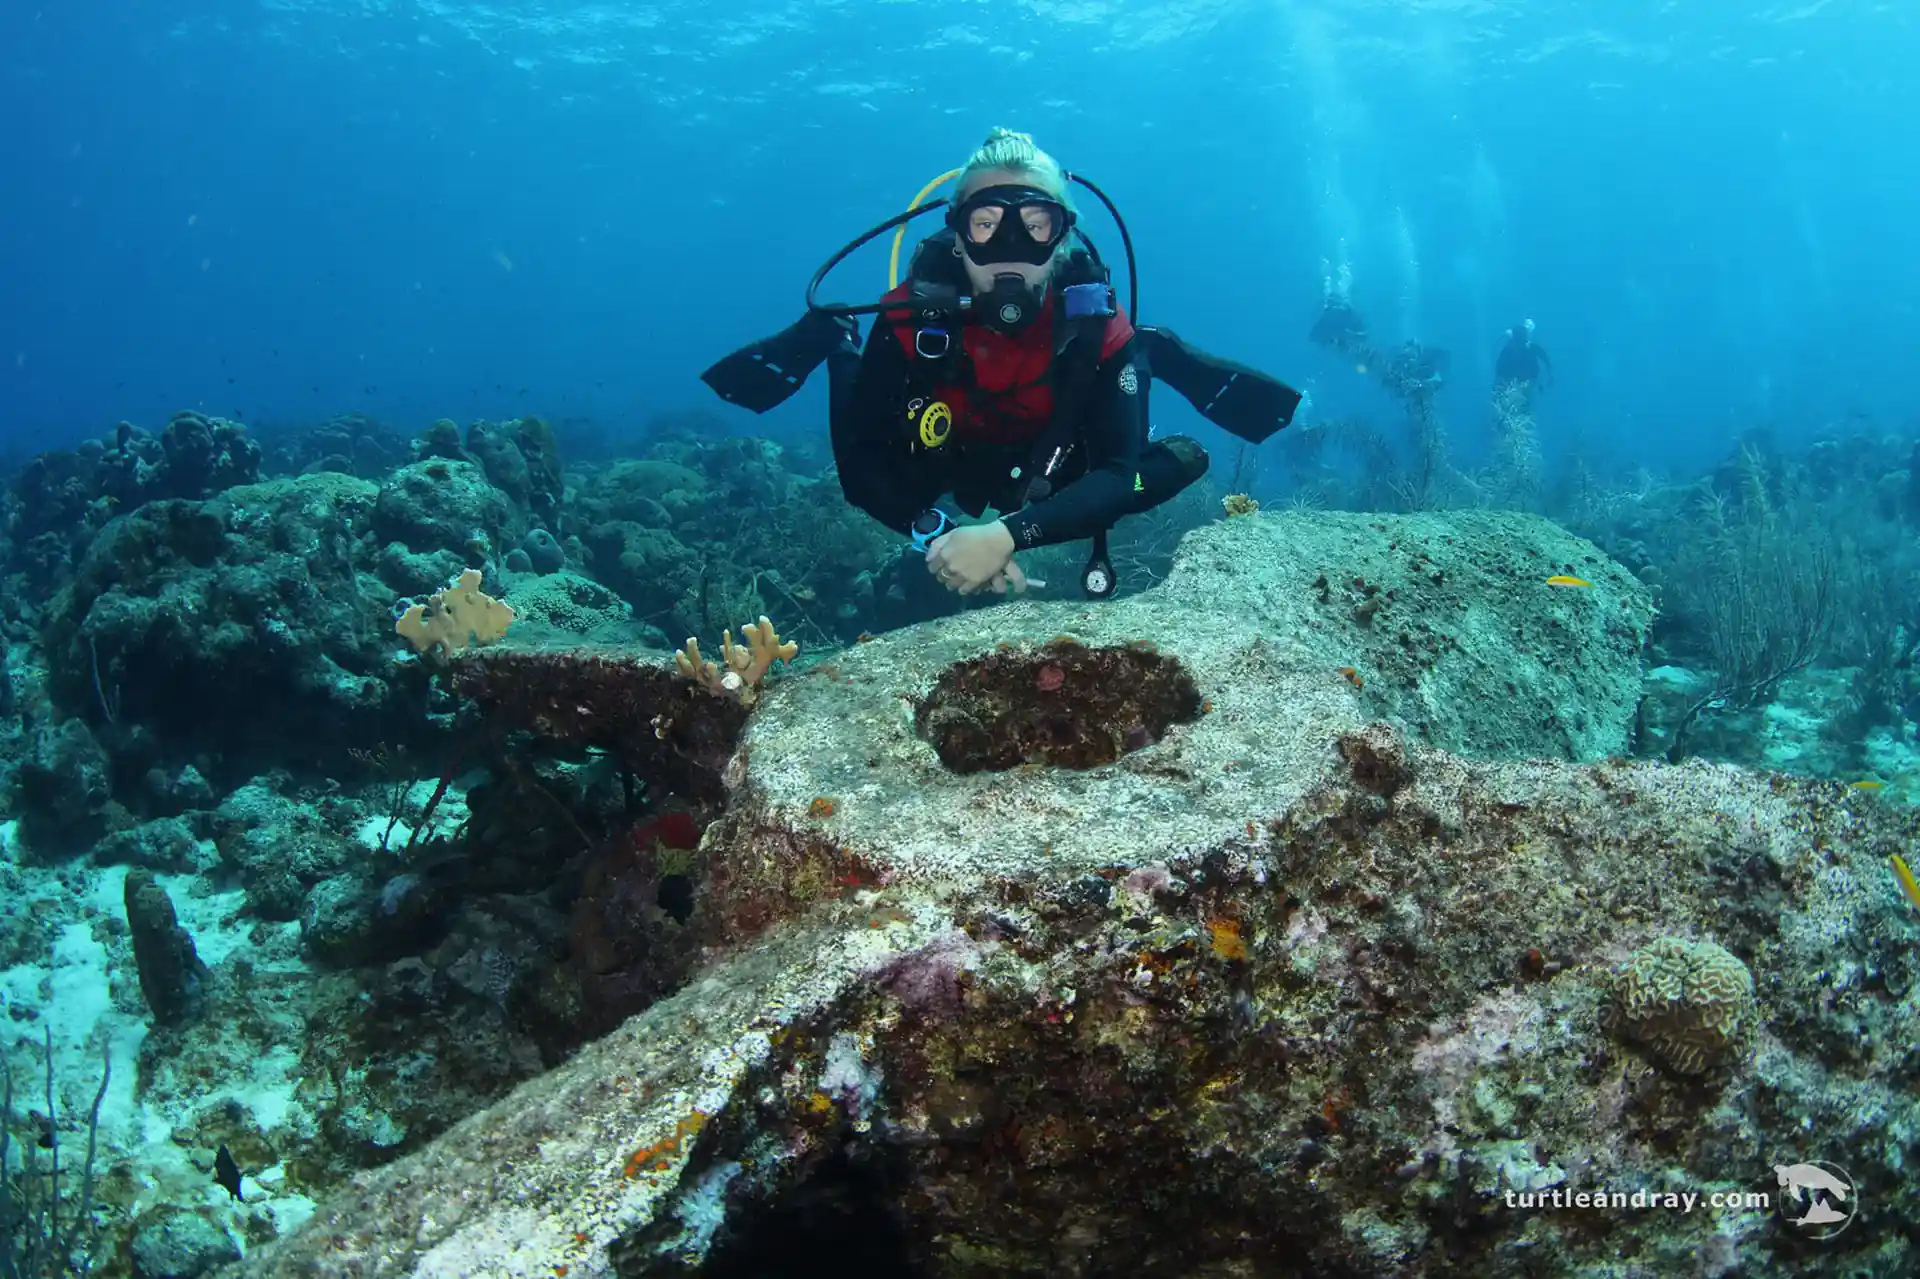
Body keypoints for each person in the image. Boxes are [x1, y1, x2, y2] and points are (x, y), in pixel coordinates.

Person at [702, 127, 1302, 611]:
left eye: (1036, 225)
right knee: (889, 466)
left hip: (1050, 459)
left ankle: (1152, 353)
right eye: (986, 224)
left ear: (1062, 239)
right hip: (952, 455)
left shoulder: (1097, 325)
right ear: (957, 238)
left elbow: (1117, 477)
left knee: (1177, 463)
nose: (1010, 246)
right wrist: (942, 539)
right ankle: (836, 343)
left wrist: (1004, 537)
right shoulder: (911, 316)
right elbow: (860, 475)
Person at [1494, 319, 1551, 401]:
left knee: (1516, 397)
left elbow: (1499, 367)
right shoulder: (1529, 347)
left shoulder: (1509, 349)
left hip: (1519, 379)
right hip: (1523, 379)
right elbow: (1546, 360)